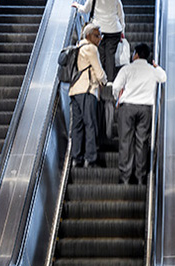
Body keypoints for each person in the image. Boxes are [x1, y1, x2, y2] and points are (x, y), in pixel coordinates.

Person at [112, 43, 167, 184]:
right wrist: (156, 66)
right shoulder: (151, 70)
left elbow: (116, 86)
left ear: (135, 54)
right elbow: (163, 77)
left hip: (128, 107)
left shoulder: (127, 68)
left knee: (126, 141)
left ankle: (125, 177)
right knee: (141, 143)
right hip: (145, 108)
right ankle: (140, 177)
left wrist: (117, 98)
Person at [69, 23, 107, 168]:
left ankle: (76, 158)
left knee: (77, 126)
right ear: (89, 36)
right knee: (90, 124)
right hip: (87, 90)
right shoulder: (91, 48)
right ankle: (90, 159)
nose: (100, 39)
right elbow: (99, 72)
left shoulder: (78, 47)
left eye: (100, 36)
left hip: (74, 91)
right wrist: (105, 81)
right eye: (97, 36)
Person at [71, 0, 125, 82]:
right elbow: (121, 16)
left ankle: (101, 80)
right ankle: (110, 81)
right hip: (114, 30)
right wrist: (122, 31)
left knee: (100, 54)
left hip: (98, 30)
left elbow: (85, 9)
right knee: (110, 55)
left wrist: (77, 5)